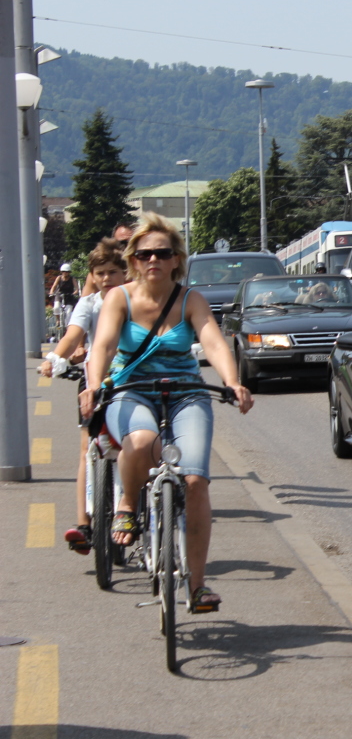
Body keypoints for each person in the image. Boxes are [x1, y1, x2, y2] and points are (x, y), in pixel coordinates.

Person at [82, 212, 253, 613]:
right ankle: (126, 506)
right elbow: (103, 347)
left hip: (186, 394)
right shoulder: (117, 298)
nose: (153, 260)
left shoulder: (190, 299)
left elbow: (213, 342)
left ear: (176, 258)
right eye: (143, 254)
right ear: (133, 260)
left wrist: (232, 381)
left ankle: (197, 585)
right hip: (131, 391)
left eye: (162, 252)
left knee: (195, 481)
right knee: (140, 441)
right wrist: (93, 385)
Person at [39, 241, 128, 551]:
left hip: (129, 380)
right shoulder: (88, 304)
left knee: (133, 444)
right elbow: (72, 336)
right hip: (94, 380)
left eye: (113, 272)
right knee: (86, 450)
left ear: (125, 273)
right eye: (100, 273)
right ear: (92, 275)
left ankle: (133, 508)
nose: (106, 278)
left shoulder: (134, 301)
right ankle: (84, 525)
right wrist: (53, 359)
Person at [82, 223, 135, 297]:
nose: (128, 248)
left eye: (133, 243)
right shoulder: (98, 274)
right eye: (122, 243)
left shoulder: (148, 271)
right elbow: (85, 304)